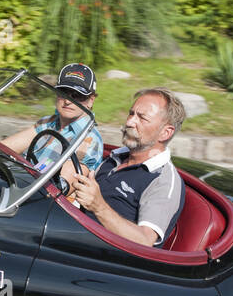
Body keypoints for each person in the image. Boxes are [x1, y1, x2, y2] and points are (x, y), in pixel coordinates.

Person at [68, 87, 187, 248]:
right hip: (71, 236)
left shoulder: (163, 180)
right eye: (131, 114)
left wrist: (99, 207)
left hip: (101, 262)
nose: (130, 122)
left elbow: (145, 240)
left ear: (165, 133)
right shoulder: (115, 158)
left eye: (142, 118)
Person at [1, 63, 104, 187]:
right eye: (63, 92)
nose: (67, 101)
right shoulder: (48, 122)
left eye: (77, 95)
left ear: (90, 101)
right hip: (19, 182)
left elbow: (61, 187)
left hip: (41, 198)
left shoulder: (90, 140)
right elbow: (2, 149)